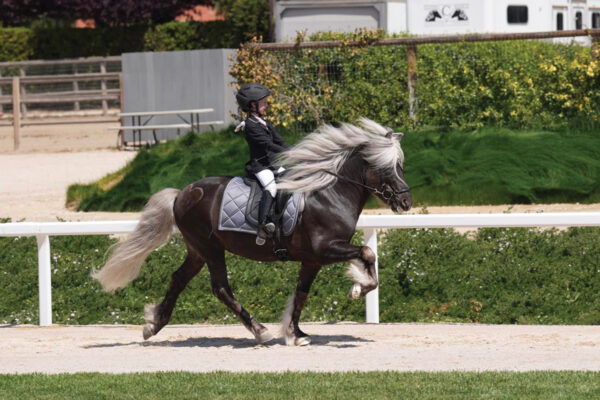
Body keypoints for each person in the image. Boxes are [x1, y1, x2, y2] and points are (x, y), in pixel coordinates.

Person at [235, 83, 291, 246]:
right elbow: (268, 145)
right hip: (260, 166)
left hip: (271, 163)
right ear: (253, 105)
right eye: (264, 102)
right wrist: (288, 153)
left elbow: (278, 140)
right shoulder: (251, 126)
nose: (267, 105)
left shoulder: (262, 121)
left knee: (290, 177)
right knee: (271, 188)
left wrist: (297, 150)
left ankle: (280, 216)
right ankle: (262, 225)